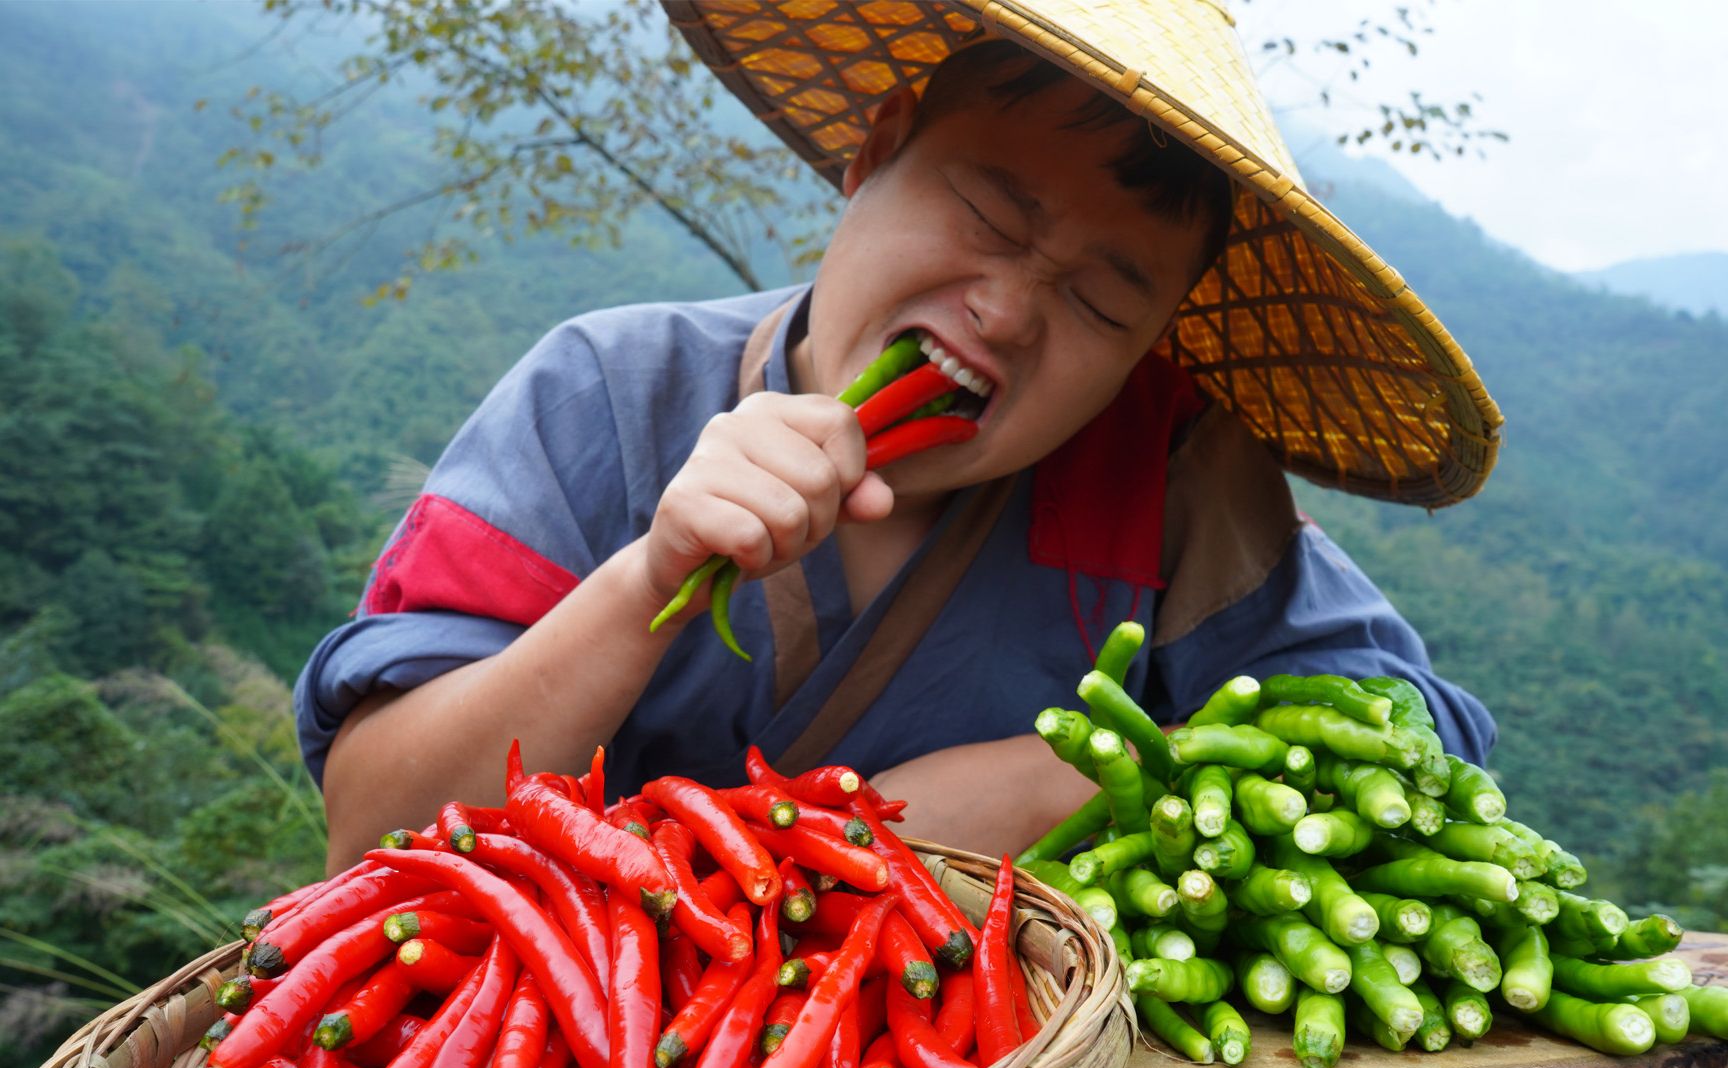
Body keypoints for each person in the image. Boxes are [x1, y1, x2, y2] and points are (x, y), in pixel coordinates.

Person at [296, 3, 1502, 873]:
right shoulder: (610, 394)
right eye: (989, 212)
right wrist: (646, 581)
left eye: (1100, 303)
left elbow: (1415, 750)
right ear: (876, 151)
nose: (1010, 310)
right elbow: (372, 835)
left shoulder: (1165, 476)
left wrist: (1068, 778)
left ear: (1148, 350)